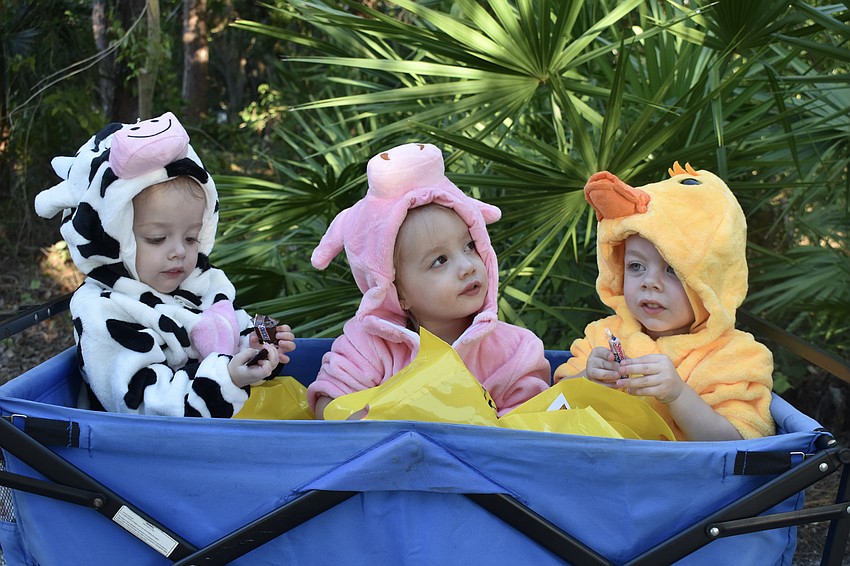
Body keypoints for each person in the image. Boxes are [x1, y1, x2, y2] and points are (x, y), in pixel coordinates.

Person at [34, 112, 295, 417]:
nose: (179, 252)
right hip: (146, 457)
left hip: (218, 444)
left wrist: (253, 347)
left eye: (191, 237)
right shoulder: (106, 310)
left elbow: (226, 331)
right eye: (158, 239)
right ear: (111, 240)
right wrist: (229, 380)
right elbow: (140, 405)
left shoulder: (199, 285)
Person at [308, 142, 550, 419]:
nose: (467, 266)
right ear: (396, 292)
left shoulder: (514, 351)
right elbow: (329, 401)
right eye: (440, 261)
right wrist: (360, 424)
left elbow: (530, 425)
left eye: (469, 246)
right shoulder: (369, 346)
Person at [554, 163, 775, 441]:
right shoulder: (603, 335)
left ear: (710, 281)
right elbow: (553, 406)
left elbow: (740, 444)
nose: (650, 282)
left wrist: (678, 394)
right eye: (636, 266)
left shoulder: (736, 356)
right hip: (598, 475)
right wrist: (586, 379)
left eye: (672, 270)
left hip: (681, 481)